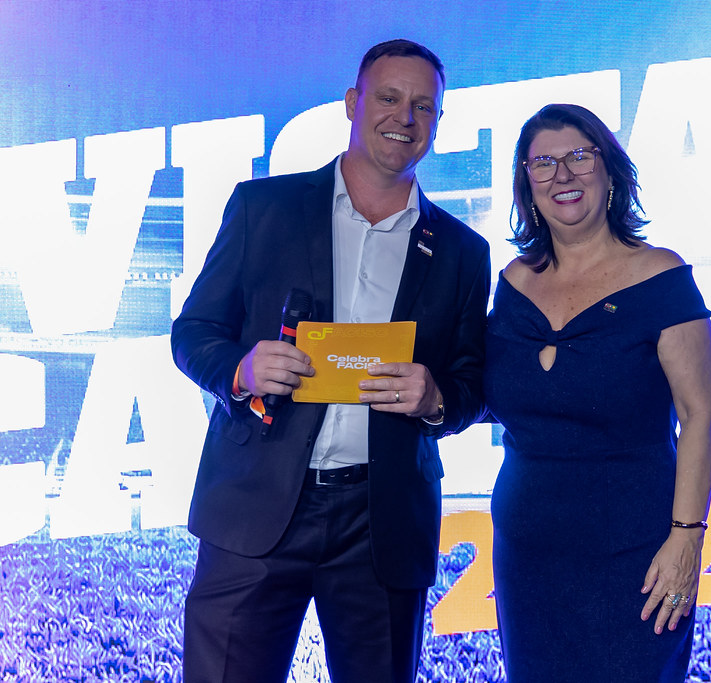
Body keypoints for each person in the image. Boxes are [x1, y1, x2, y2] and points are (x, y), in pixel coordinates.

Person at [170, 39, 490, 683]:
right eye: (389, 98)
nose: (405, 117)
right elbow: (194, 332)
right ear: (352, 102)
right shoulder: (263, 208)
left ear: (437, 121)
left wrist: (437, 399)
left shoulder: (462, 251)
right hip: (256, 507)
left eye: (423, 106)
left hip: (383, 522)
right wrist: (241, 371)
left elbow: (474, 383)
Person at [483, 103, 711, 681]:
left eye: (579, 157)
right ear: (526, 185)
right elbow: (496, 393)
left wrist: (687, 539)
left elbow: (701, 414)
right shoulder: (513, 281)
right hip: (527, 552)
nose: (562, 175)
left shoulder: (661, 276)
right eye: (543, 163)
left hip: (637, 555)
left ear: (610, 172)